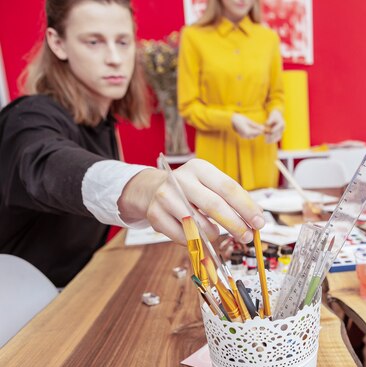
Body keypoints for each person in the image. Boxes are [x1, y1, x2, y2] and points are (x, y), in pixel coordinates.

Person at [0, 0, 266, 288]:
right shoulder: (27, 118)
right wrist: (147, 186)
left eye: (123, 42)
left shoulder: (103, 124)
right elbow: (46, 164)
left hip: (81, 290)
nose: (114, 58)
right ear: (58, 43)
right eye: (94, 41)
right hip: (24, 311)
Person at [177, 0, 285, 190]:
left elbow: (276, 96)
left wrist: (277, 114)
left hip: (260, 151)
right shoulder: (193, 37)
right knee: (215, 214)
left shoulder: (269, 38)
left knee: (263, 216)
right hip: (215, 153)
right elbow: (188, 107)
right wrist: (230, 119)